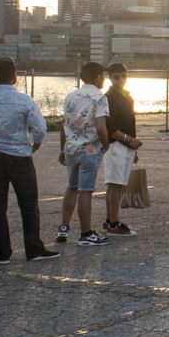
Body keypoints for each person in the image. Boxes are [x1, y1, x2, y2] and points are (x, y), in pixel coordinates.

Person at [0, 58, 54, 263]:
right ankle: (33, 248)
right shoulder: (25, 100)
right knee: (28, 204)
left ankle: (0, 253)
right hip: (19, 155)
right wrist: (35, 145)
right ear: (14, 76)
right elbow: (40, 128)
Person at [57, 63, 112, 248]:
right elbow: (101, 127)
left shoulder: (71, 96)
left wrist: (62, 149)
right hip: (89, 148)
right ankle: (86, 233)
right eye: (102, 75)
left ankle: (63, 227)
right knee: (86, 191)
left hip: (72, 147)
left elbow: (64, 124)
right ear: (97, 77)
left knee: (71, 187)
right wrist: (105, 145)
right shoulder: (99, 97)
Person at [101, 63, 142, 236]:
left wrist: (133, 147)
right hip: (116, 144)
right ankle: (113, 223)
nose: (121, 79)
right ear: (109, 78)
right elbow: (109, 126)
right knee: (115, 184)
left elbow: (129, 123)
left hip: (125, 145)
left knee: (118, 184)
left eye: (124, 75)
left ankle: (111, 220)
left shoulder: (125, 95)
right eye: (117, 76)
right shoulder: (109, 97)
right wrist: (129, 140)